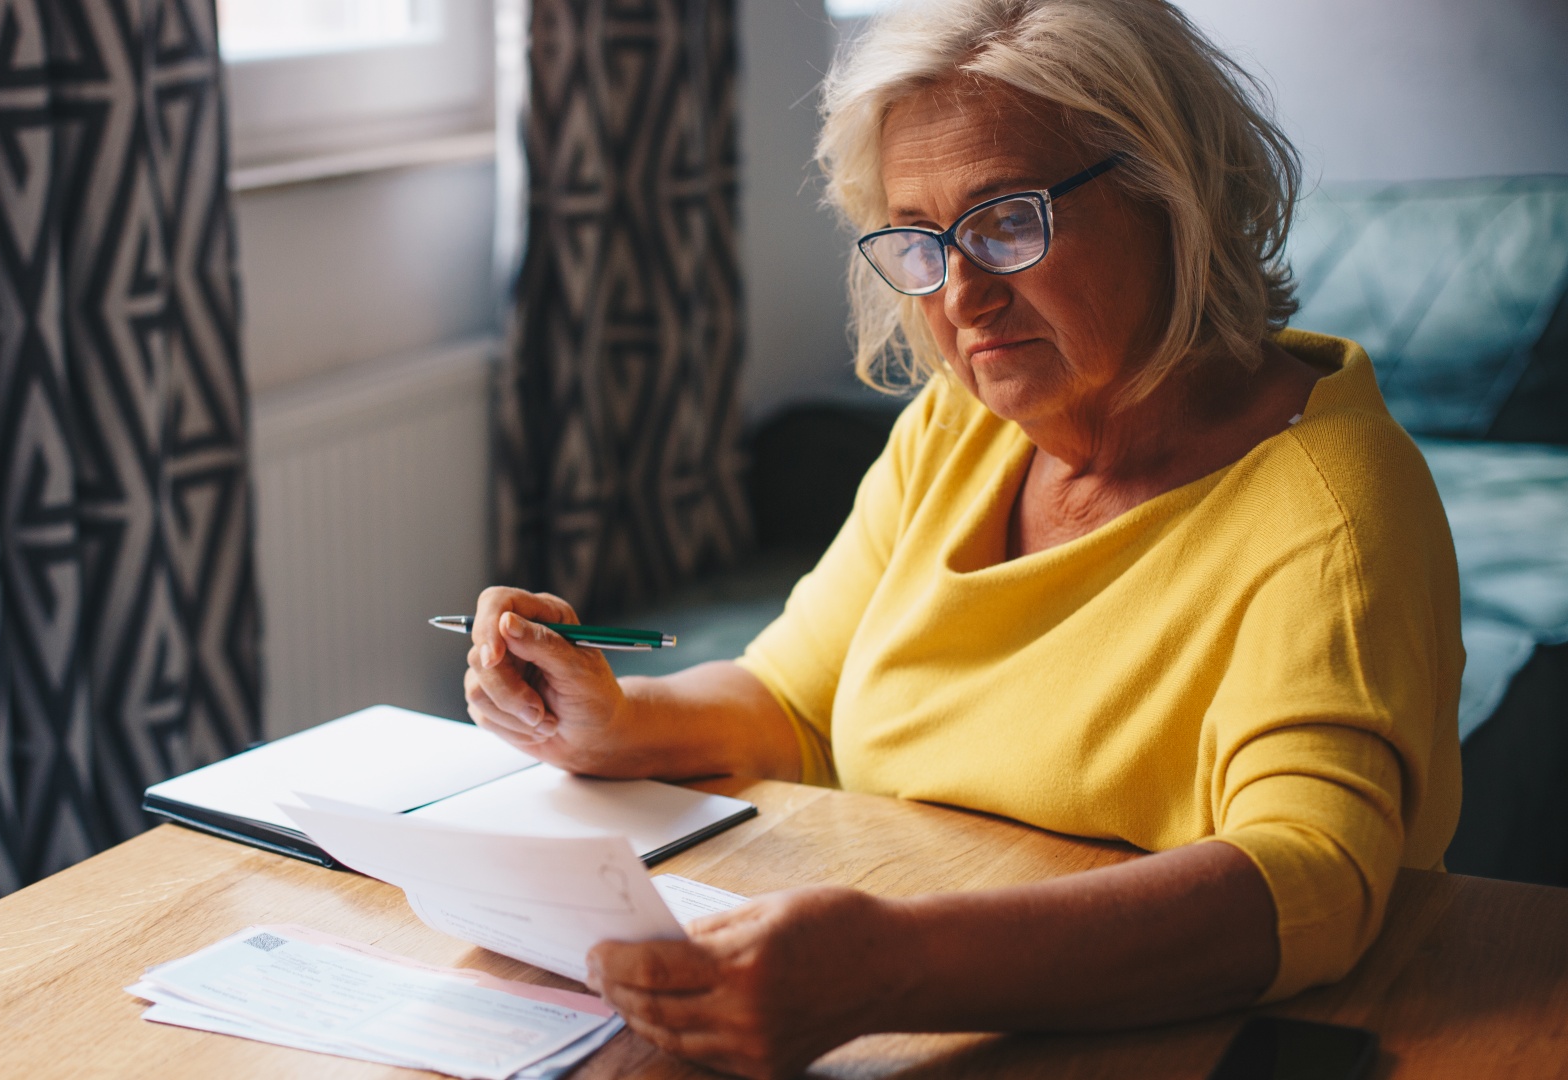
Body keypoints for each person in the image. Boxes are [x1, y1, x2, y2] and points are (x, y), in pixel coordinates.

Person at [461, 0, 1462, 1075]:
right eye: (920, 241)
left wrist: (890, 968)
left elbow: (1310, 883)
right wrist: (612, 721)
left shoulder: (1334, 507)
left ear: (1173, 198)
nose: (965, 295)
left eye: (1008, 220)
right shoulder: (962, 426)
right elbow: (795, 702)